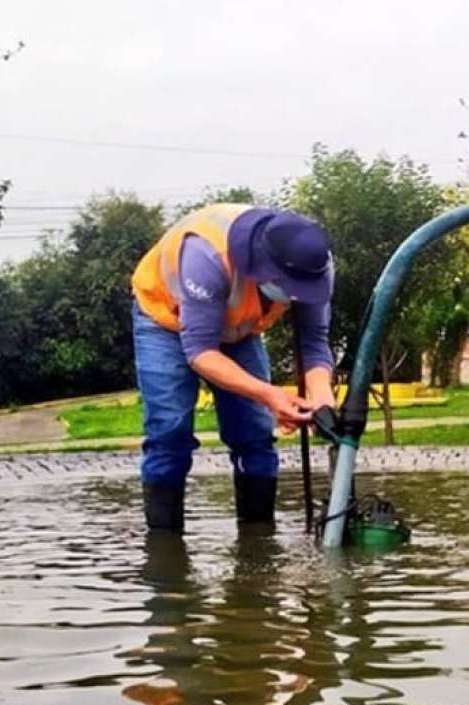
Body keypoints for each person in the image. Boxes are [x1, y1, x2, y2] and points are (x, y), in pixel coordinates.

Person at [131, 204, 336, 533]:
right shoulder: (207, 254)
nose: (295, 296)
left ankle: (258, 546)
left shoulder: (314, 264)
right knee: (169, 432)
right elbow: (200, 352)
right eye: (288, 285)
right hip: (165, 319)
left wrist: (323, 400)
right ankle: (165, 555)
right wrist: (269, 395)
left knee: (254, 433)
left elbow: (313, 343)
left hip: (238, 327)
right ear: (264, 269)